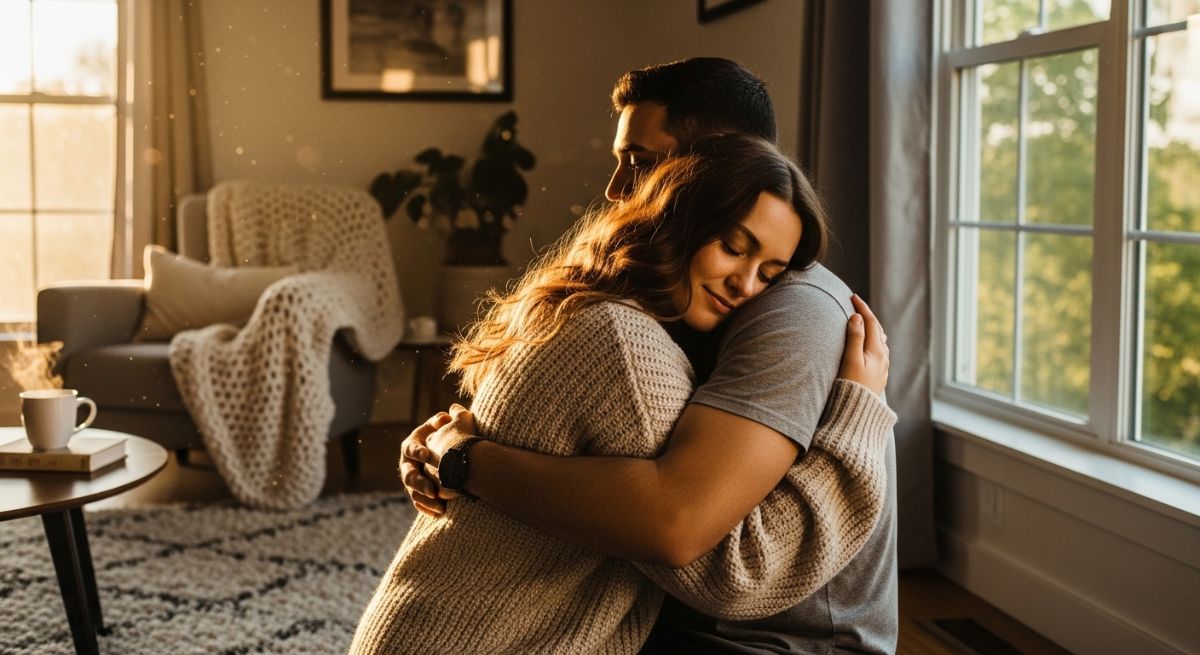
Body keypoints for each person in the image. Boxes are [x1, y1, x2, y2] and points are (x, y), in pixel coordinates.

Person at [399, 57, 901, 654]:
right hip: (670, 615)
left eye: (641, 162)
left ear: (715, 167)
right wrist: (447, 444)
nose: (614, 189)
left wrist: (465, 460)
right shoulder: (650, 304)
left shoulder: (794, 314)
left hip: (774, 643)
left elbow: (688, 535)